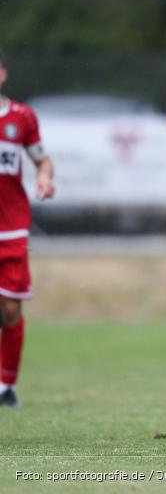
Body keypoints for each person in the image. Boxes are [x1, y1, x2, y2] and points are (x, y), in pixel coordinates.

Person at [0, 51, 55, 407]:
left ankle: (6, 387)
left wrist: (45, 179)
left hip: (11, 227)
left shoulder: (21, 117)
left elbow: (42, 159)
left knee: (10, 311)